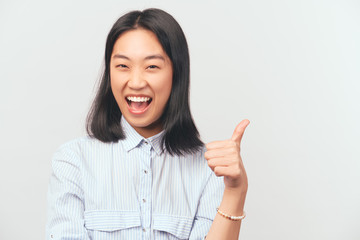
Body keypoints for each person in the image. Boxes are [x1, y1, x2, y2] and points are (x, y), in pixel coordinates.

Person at [46, 8, 250, 240]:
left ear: (177, 74)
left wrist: (236, 190)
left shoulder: (208, 170)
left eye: (152, 66)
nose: (136, 82)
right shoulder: (73, 161)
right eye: (123, 66)